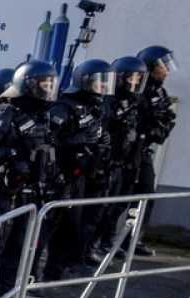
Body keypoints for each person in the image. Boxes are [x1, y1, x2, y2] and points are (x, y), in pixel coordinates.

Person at [0, 60, 61, 297]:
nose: (47, 89)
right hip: (3, 191)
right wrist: (11, 154)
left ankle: (4, 294)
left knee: (18, 248)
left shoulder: (43, 117)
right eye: (43, 84)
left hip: (29, 192)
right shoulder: (5, 113)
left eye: (50, 84)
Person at [42, 59, 114, 281]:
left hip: (79, 177)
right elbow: (48, 144)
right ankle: (32, 274)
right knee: (47, 228)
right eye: (99, 84)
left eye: (106, 84)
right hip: (59, 176)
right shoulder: (63, 108)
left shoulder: (95, 110)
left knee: (71, 226)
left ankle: (56, 270)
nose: (103, 89)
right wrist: (77, 139)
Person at [86, 55, 148, 264]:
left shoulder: (132, 103)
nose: (137, 82)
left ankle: (104, 243)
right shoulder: (108, 104)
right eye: (133, 78)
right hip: (107, 165)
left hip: (123, 164)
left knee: (115, 208)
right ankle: (90, 249)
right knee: (99, 210)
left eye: (140, 78)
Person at [132, 45, 178, 256]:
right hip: (130, 151)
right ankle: (106, 242)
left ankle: (133, 239)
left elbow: (162, 127)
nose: (167, 69)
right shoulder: (137, 90)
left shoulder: (160, 91)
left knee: (146, 196)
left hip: (144, 151)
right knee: (116, 201)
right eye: (163, 65)